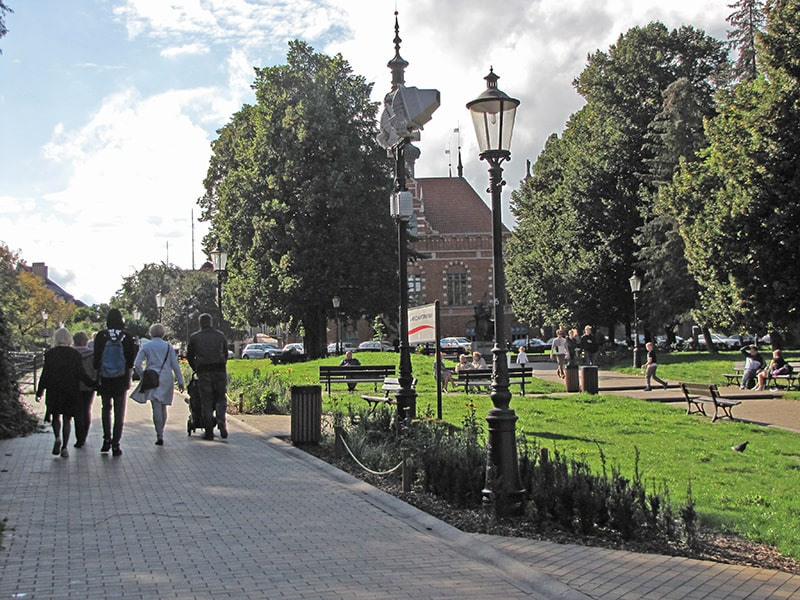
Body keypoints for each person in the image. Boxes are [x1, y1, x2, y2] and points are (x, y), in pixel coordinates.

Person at [36, 327, 97, 458]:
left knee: (56, 416)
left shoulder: (50, 354)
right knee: (67, 418)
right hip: (71, 390)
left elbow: (45, 374)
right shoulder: (74, 354)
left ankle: (57, 436)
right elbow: (81, 373)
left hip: (54, 389)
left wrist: (39, 391)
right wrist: (93, 384)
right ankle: (64, 446)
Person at [93, 309, 138, 457]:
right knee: (119, 412)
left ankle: (106, 439)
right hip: (121, 378)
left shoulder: (101, 336)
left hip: (105, 378)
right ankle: (116, 444)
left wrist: (97, 376)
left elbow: (96, 360)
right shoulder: (127, 337)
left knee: (106, 409)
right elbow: (131, 360)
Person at [134, 324, 185, 445]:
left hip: (151, 377)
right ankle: (161, 430)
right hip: (166, 378)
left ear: (150, 333)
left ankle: (159, 435)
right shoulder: (168, 347)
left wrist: (143, 375)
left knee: (156, 406)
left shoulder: (147, 346)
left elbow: (137, 364)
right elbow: (175, 365)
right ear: (163, 333)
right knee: (163, 407)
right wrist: (181, 381)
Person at [187, 313, 229, 440]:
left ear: (200, 323)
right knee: (221, 396)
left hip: (204, 371)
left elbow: (190, 355)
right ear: (211, 322)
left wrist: (195, 367)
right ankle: (221, 420)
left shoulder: (195, 337)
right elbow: (225, 353)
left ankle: (209, 429)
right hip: (220, 370)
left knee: (206, 399)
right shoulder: (220, 335)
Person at [72, 331, 96, 448]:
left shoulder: (72, 354)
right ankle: (85, 434)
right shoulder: (92, 354)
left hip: (75, 385)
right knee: (87, 409)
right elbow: (95, 370)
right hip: (89, 385)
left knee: (77, 411)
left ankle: (79, 437)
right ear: (86, 341)